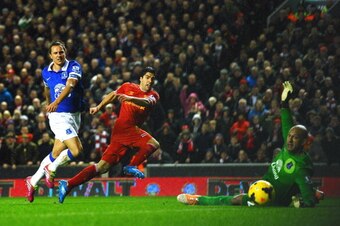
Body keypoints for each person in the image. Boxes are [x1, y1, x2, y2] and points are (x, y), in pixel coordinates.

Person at [177, 81, 324, 208]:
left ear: (304, 141)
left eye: (295, 138)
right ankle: (312, 190)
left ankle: (197, 199)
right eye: (290, 136)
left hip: (271, 200)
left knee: (237, 199)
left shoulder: (301, 168)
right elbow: (287, 121)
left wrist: (306, 201)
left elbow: (308, 199)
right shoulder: (289, 144)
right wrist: (284, 101)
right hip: (264, 184)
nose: (290, 139)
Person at [58, 66, 160, 203]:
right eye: (147, 77)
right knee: (153, 144)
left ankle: (68, 184)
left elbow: (147, 102)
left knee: (102, 167)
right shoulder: (127, 86)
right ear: (141, 78)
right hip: (122, 129)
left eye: (152, 78)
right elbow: (113, 94)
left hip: (130, 131)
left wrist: (129, 98)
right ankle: (132, 166)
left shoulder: (153, 95)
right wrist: (98, 107)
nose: (150, 81)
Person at [25, 41, 85, 202]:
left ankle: (32, 181)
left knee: (56, 153)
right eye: (56, 53)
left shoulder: (73, 66)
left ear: (65, 52)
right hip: (59, 116)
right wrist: (49, 104)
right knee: (77, 150)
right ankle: (51, 169)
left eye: (61, 52)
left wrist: (54, 101)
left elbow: (71, 84)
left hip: (74, 116)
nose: (59, 55)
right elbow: (46, 89)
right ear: (50, 55)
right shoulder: (46, 71)